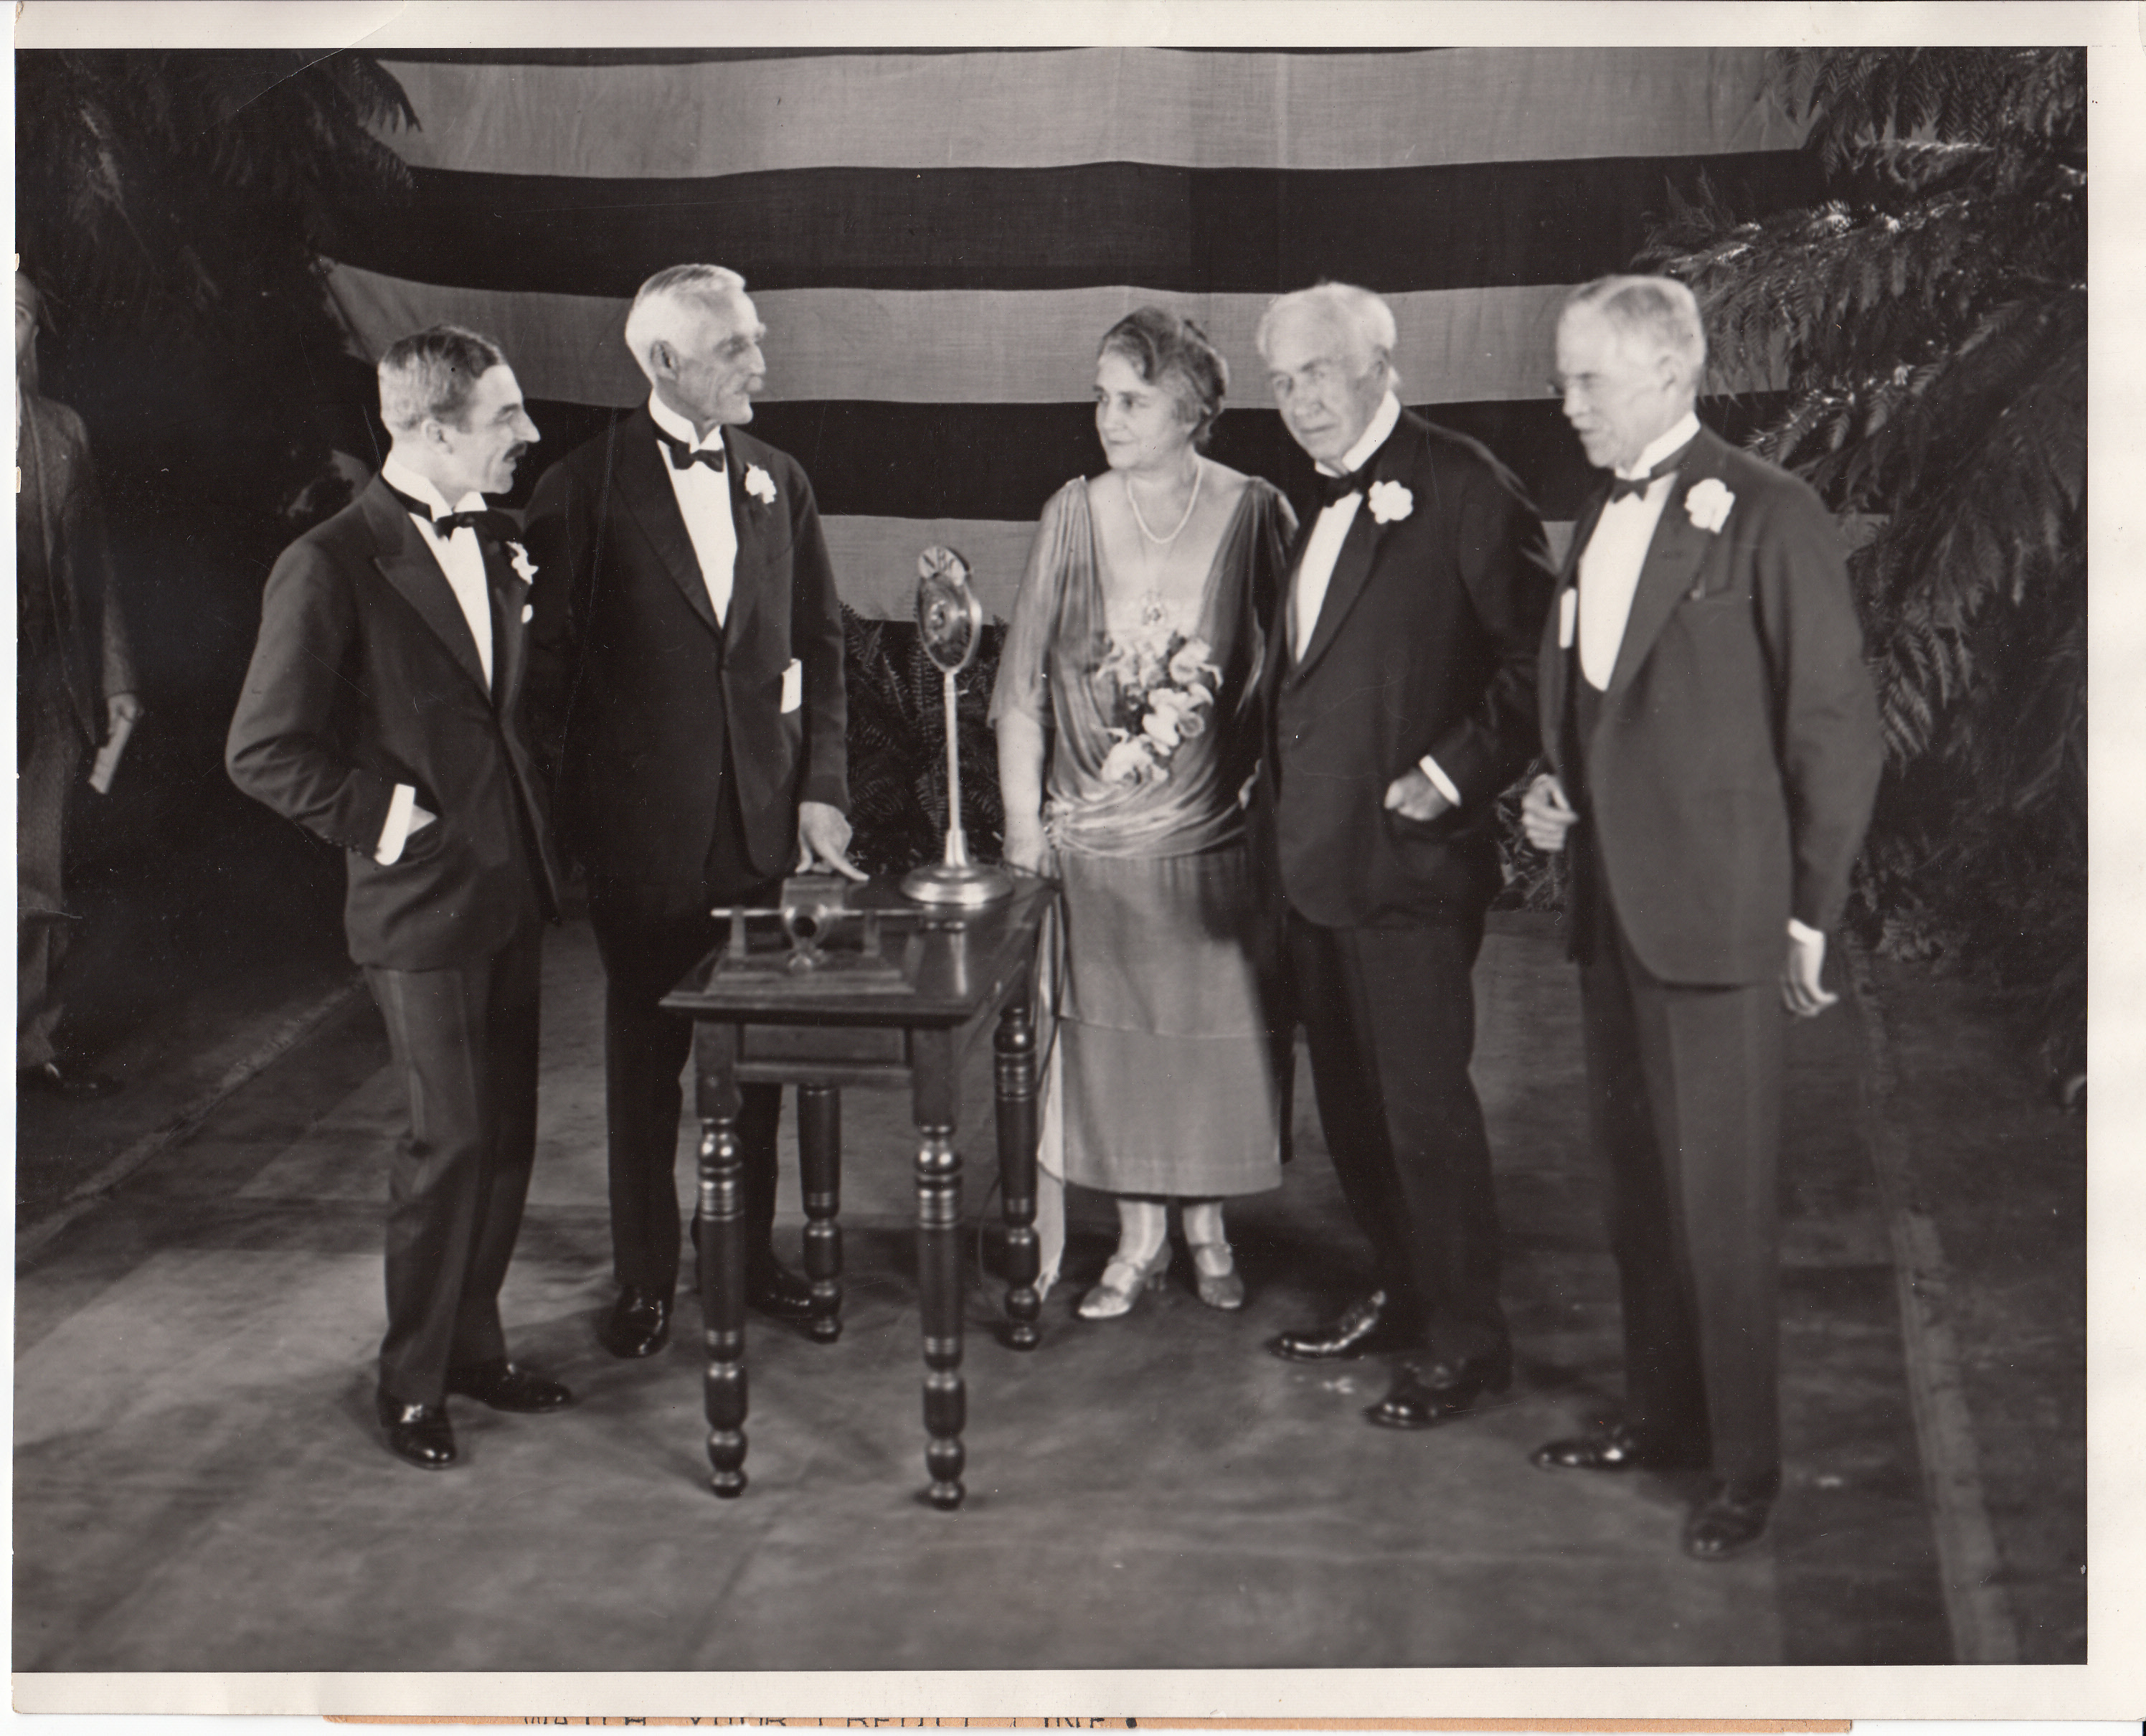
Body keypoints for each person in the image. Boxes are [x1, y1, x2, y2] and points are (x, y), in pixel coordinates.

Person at [1521, 275, 1884, 1559]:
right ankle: (1661, 1417)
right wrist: (1553, 785)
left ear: (1672, 376)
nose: (1564, 406)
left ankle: (1744, 1468)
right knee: (1637, 1194)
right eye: (1564, 379)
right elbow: (1593, 708)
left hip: (1722, 922)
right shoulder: (1594, 507)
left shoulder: (1770, 513)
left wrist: (1808, 917)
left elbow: (1834, 729)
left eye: (1587, 383)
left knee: (1721, 1207)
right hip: (1612, 917)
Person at [227, 325, 572, 1470]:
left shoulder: (500, 538)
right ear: (431, 431)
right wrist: (388, 821)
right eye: (506, 416)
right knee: (450, 1139)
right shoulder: (329, 562)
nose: (528, 434)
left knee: (509, 1136)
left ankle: (475, 1348)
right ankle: (412, 1380)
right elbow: (264, 750)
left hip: (511, 888)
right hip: (417, 907)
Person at [522, 265, 858, 1363]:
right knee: (645, 1063)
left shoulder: (782, 481)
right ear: (664, 362)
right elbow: (547, 689)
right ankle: (645, 1278)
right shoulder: (583, 488)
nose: (761, 364)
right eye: (735, 350)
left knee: (754, 1060)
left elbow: (822, 651)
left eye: (756, 340)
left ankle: (746, 1257)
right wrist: (577, 839)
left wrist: (820, 791)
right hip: (643, 843)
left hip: (760, 831)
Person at [1251, 283, 1552, 1428]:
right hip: (1313, 865)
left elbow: (1538, 662)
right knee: (1358, 1112)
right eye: (1281, 382)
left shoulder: (1467, 483)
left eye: (1318, 373)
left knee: (1425, 1111)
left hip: (1411, 867)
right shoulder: (1305, 500)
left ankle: (1470, 1343)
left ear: (1383, 366)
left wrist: (1449, 775)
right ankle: (1405, 1288)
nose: (1298, 402)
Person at [993, 308, 1295, 1320]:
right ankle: (1136, 1237)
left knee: (1209, 1034)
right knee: (1113, 1041)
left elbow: (1303, 677)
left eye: (1131, 399)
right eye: (1100, 397)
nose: (1106, 417)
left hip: (1211, 836)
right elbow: (1020, 691)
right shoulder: (1069, 514)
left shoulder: (1259, 512)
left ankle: (1207, 1228)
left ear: (1194, 410)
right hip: (1092, 841)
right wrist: (1025, 836)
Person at [16, 269, 143, 1100]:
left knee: (35, 878)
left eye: (19, 313)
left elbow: (93, 571)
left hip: (43, 688)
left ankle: (29, 1046)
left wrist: (116, 679)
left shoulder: (59, 432)